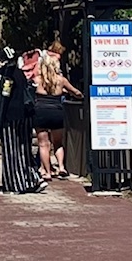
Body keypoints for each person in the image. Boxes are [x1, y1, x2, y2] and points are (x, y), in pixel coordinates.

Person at [0, 48, 44, 193]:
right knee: (24, 149)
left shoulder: (2, 74)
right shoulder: (19, 73)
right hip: (25, 116)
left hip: (10, 116)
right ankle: (33, 178)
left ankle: (15, 184)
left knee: (10, 151)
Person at [34, 43, 83, 179]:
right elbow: (75, 92)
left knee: (44, 144)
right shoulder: (61, 80)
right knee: (58, 142)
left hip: (41, 112)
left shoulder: (38, 80)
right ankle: (61, 166)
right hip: (57, 112)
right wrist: (79, 95)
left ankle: (47, 172)